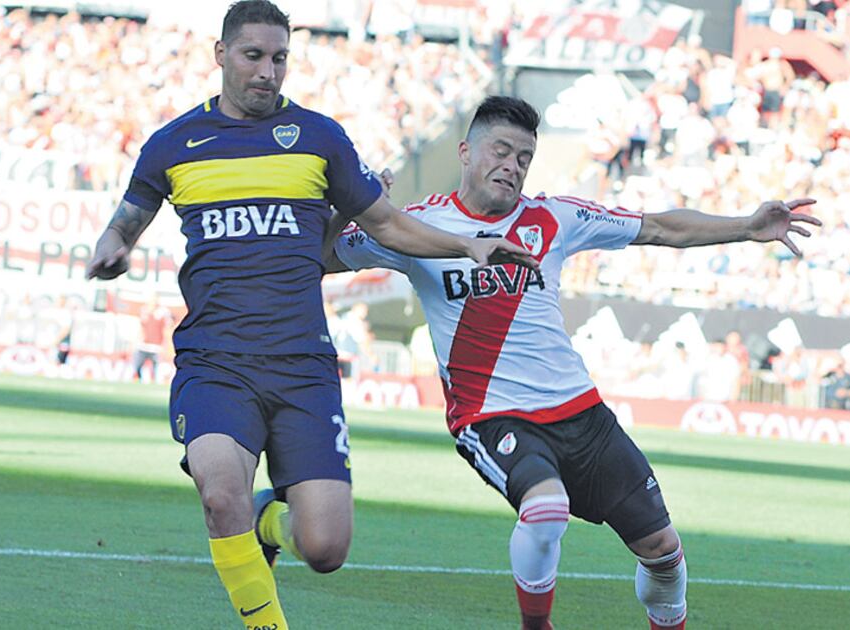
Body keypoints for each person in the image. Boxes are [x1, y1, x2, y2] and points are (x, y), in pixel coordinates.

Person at [84, 3, 534, 628]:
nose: (268, 72)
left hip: (302, 367)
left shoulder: (320, 138)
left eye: (279, 58)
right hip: (216, 361)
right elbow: (129, 214)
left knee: (325, 549)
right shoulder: (172, 144)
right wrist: (114, 243)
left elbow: (387, 224)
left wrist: (467, 243)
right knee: (219, 494)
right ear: (220, 56)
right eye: (253, 56)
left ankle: (270, 518)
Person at [327, 96, 821, 630]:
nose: (512, 166)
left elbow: (659, 228)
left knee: (664, 552)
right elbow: (324, 258)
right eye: (501, 150)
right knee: (545, 509)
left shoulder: (555, 217)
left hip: (582, 415)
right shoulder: (414, 229)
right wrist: (349, 206)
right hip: (494, 416)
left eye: (523, 158)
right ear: (466, 153)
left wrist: (745, 226)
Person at [132, 294, 173, 382]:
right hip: (143, 345)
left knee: (156, 368)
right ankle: (140, 380)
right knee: (137, 365)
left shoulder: (162, 313)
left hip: (156, 347)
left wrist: (165, 344)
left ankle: (155, 382)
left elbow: (166, 329)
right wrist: (136, 341)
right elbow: (141, 328)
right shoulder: (144, 311)